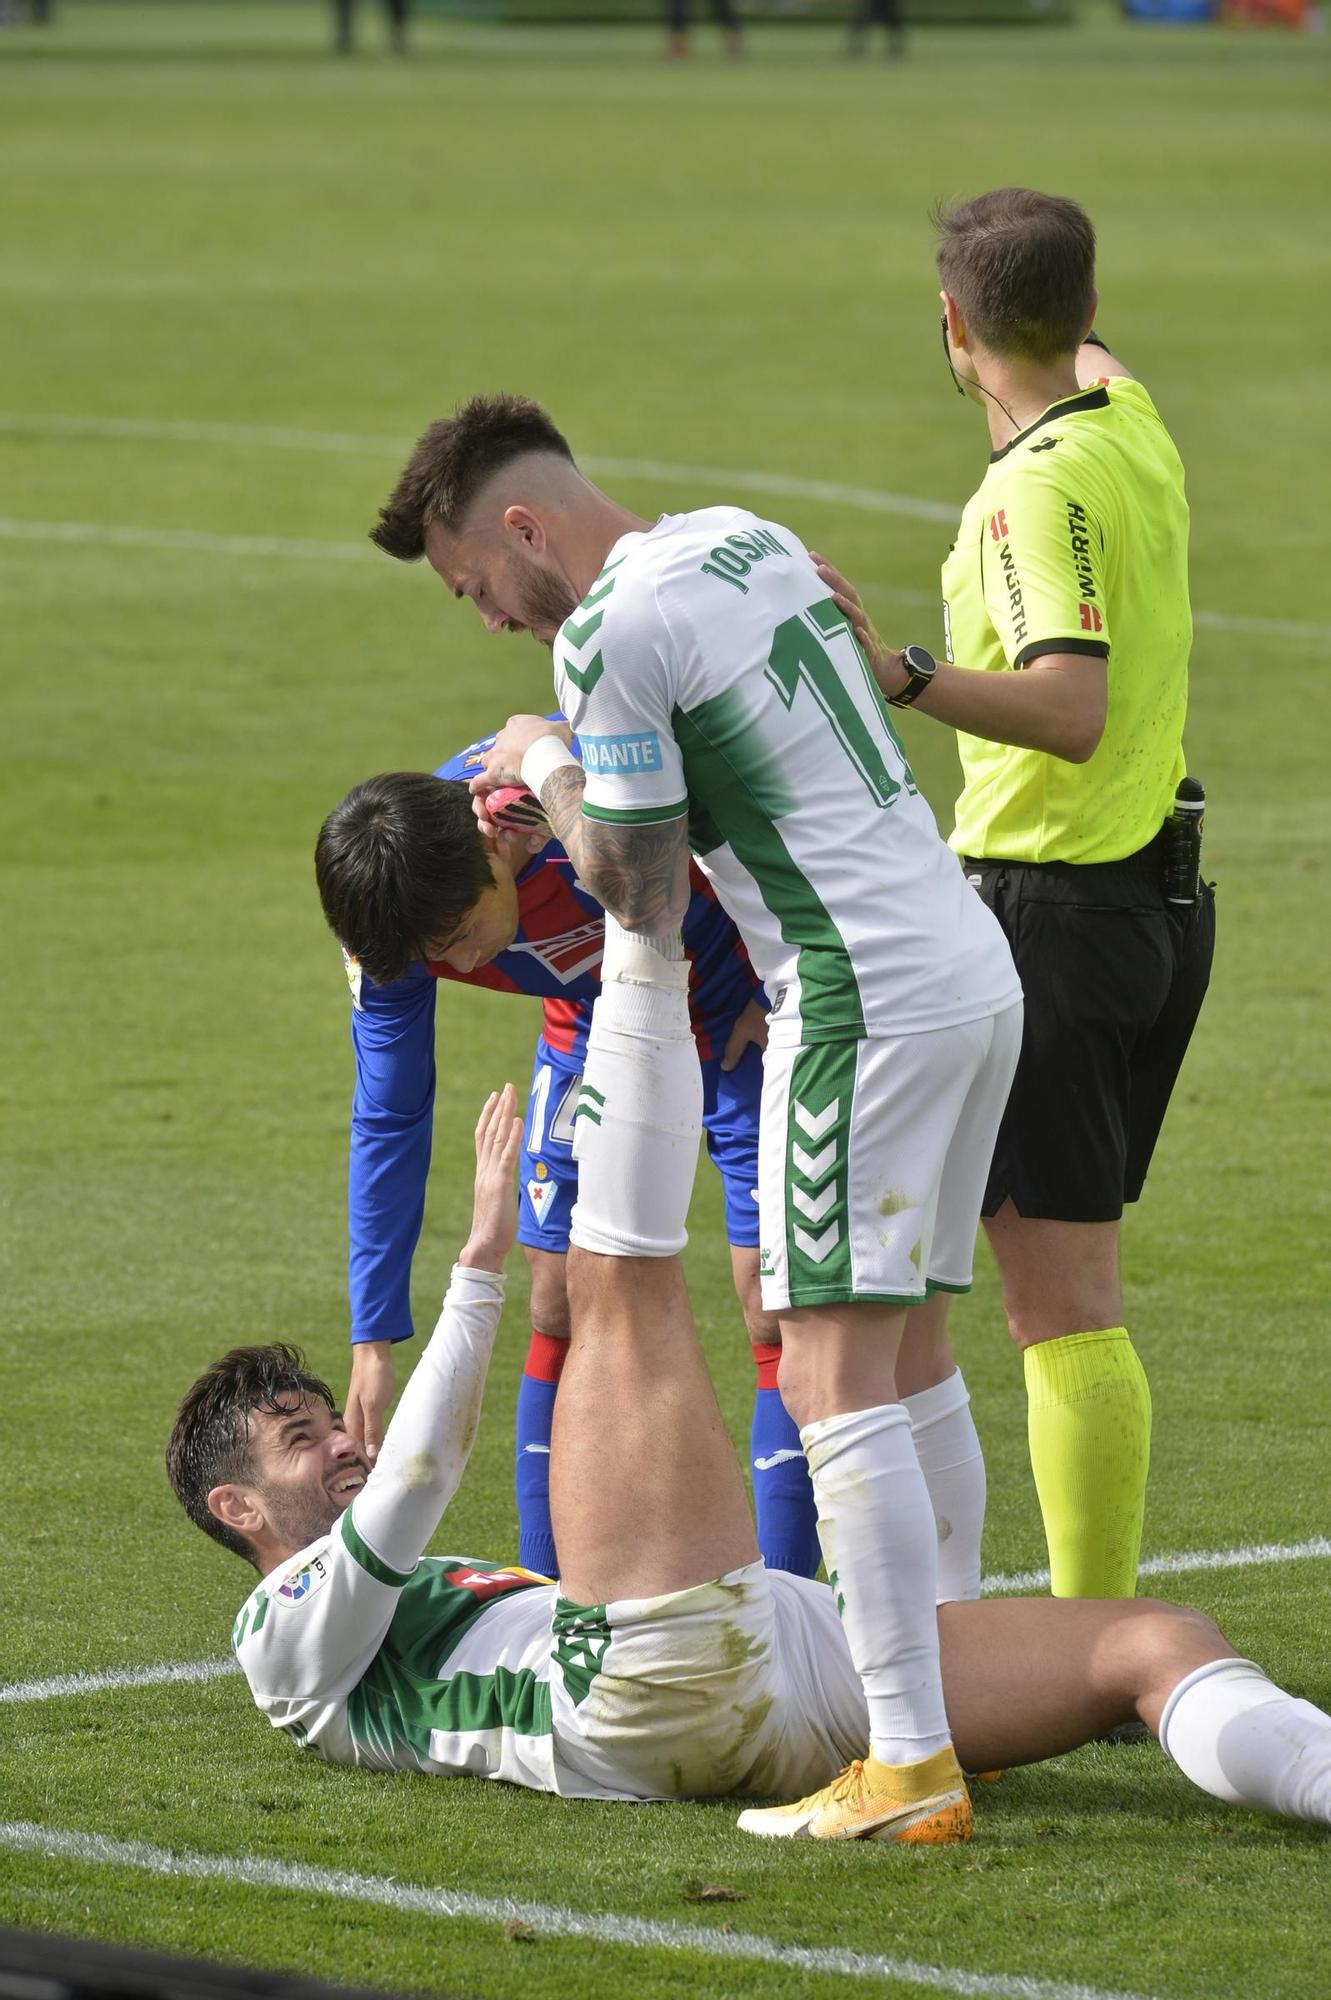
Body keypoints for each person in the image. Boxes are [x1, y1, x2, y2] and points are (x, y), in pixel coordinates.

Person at [164, 964, 1331, 1839]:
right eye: (299, 1439)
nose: (341, 1443)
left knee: (1155, 1638)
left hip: (787, 1662)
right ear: (236, 1503)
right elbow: (417, 1476)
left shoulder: (383, 1593)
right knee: (615, 1275)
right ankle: (640, 946)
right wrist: (477, 1261)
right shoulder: (278, 1637)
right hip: (638, 1687)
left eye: (328, 1418)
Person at [368, 394, 1023, 1840]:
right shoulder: (742, 535)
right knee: (912, 1361)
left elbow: (637, 896)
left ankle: (910, 1760)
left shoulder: (602, 634)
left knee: (830, 1380)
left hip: (853, 999)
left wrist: (541, 760)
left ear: (521, 529)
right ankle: (968, 1693)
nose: (487, 622)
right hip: (969, 965)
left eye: (475, 584)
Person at [813, 188, 1216, 1602]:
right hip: (1154, 911)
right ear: (1085, 312)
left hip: (1055, 921)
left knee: (1061, 1316)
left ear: (947, 323)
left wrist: (900, 673)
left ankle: (1087, 1633)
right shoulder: (1127, 420)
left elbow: (1066, 707)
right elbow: (1078, 364)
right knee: (1065, 1296)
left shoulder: (1028, 496)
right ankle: (1076, 1620)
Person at [312, 742, 822, 1580]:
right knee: (555, 1297)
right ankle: (554, 1603)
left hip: (735, 998)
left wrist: (790, 971)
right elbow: (391, 1112)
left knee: (776, 1302)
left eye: (463, 936)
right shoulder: (395, 933)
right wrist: (374, 1336)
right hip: (593, 1018)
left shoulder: (572, 784)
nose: (465, 964)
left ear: (497, 850)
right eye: (439, 957)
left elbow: (767, 786)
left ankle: (794, 1613)